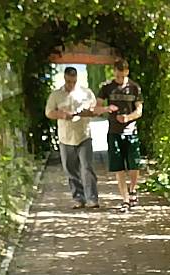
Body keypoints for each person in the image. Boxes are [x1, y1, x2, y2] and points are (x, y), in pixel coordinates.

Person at [45, 66, 98, 209]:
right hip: (66, 137)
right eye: (68, 81)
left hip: (84, 135)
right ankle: (79, 198)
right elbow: (49, 112)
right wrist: (62, 115)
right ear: (64, 78)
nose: (71, 84)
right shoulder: (56, 95)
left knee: (87, 168)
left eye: (73, 81)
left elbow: (95, 110)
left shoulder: (86, 93)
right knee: (70, 169)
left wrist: (86, 112)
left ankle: (92, 198)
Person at [97, 59, 143, 212]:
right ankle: (125, 199)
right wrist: (107, 108)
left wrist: (127, 118)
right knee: (119, 167)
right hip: (114, 131)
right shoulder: (107, 87)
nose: (119, 78)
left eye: (122, 76)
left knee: (134, 164)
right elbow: (96, 108)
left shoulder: (134, 88)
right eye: (117, 75)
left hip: (131, 131)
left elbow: (139, 111)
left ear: (127, 72)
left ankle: (132, 190)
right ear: (114, 72)